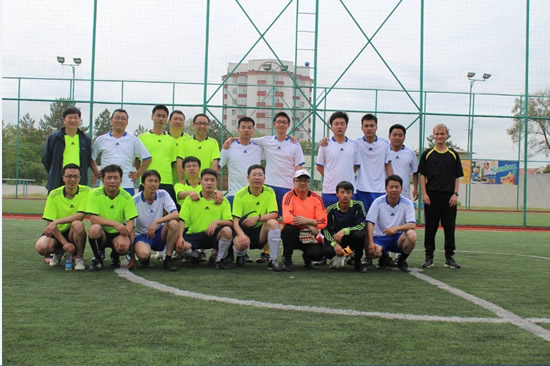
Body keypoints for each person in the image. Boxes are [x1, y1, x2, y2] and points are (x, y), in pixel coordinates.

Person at [226, 112, 305, 215]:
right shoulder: (266, 141)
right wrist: (232, 139)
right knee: (268, 217)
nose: (281, 124)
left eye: (284, 122)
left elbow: (298, 167)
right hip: (269, 186)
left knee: (286, 218)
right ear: (274, 124)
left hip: (287, 187)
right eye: (279, 122)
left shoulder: (295, 144)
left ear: (288, 125)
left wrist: (297, 186)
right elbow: (246, 138)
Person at [418, 123, 463, 269]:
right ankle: (429, 257)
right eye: (437, 134)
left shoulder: (453, 155)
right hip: (431, 197)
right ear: (433, 136)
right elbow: (422, 176)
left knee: (449, 227)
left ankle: (449, 258)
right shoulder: (427, 154)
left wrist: (455, 194)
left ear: (447, 135)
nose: (439, 136)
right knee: (430, 228)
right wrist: (424, 194)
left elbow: (457, 177)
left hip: (449, 197)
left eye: (442, 134)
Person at [35, 164, 91, 270]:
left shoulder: (86, 191)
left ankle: (79, 258)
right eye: (69, 176)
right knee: (41, 246)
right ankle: (59, 252)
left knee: (78, 224)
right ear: (63, 178)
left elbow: (80, 215)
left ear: (80, 178)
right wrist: (64, 243)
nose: (72, 179)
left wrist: (56, 222)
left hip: (72, 232)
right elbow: (50, 223)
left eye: (76, 176)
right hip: (57, 233)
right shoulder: (54, 194)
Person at [86, 164, 139, 271]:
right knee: (94, 229)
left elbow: (131, 220)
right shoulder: (95, 194)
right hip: (102, 233)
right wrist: (114, 223)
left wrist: (125, 234)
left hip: (117, 233)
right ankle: (98, 259)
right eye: (109, 178)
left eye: (116, 178)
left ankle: (115, 257)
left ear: (121, 179)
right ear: (102, 179)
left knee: (124, 245)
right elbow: (93, 218)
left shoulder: (126, 196)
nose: (112, 181)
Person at [178, 169, 233, 269]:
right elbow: (182, 219)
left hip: (212, 235)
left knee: (227, 231)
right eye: (206, 180)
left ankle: (218, 260)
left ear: (216, 182)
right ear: (200, 181)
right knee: (180, 247)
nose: (209, 183)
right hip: (194, 234)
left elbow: (230, 222)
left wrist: (216, 222)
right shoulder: (190, 199)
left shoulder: (223, 200)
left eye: (212, 180)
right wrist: (180, 237)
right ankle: (194, 255)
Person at [232, 164, 282, 271]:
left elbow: (274, 214)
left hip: (260, 232)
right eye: (254, 175)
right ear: (248, 178)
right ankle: (241, 255)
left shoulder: (269, 192)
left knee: (273, 223)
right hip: (244, 230)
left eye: (260, 175)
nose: (257, 178)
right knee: (240, 243)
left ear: (264, 178)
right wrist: (241, 235)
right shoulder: (240, 195)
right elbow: (235, 221)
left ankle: (273, 260)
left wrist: (257, 218)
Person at [92, 109, 152, 195]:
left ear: (127, 122)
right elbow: (91, 158)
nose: (120, 121)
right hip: (106, 185)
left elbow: (147, 158)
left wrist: (137, 175)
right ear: (111, 120)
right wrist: (96, 172)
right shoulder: (101, 140)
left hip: (126, 185)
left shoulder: (133, 140)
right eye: (117, 118)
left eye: (123, 119)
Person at [366, 175, 417, 272]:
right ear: (386, 189)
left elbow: (412, 225)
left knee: (412, 235)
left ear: (401, 189)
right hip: (380, 237)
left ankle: (402, 260)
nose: (394, 190)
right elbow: (370, 222)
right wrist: (371, 243)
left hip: (397, 238)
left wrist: (395, 229)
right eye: (391, 187)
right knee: (372, 252)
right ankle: (384, 256)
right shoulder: (377, 202)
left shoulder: (408, 203)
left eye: (397, 187)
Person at [132, 170, 181, 271]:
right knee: (143, 255)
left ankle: (168, 259)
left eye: (156, 181)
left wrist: (156, 222)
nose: (153, 184)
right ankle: (144, 257)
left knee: (173, 223)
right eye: (150, 181)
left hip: (159, 233)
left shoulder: (163, 194)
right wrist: (132, 257)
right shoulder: (134, 200)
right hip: (142, 235)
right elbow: (131, 227)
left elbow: (176, 214)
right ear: (143, 184)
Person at [280, 169, 328, 271]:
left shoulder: (317, 198)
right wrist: (309, 224)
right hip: (295, 234)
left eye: (305, 180)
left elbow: (323, 222)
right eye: (299, 180)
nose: (302, 183)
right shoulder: (288, 196)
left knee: (317, 254)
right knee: (289, 229)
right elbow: (288, 218)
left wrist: (306, 221)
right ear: (294, 182)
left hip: (310, 235)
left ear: (309, 182)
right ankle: (287, 259)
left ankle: (307, 258)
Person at [316, 111, 360, 208]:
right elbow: (319, 166)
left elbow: (356, 165)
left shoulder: (354, 145)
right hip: (330, 190)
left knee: (349, 220)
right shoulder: (325, 145)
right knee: (329, 220)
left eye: (342, 124)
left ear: (346, 126)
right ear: (331, 127)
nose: (339, 126)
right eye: (336, 124)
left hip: (349, 191)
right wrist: (329, 175)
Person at [42, 107, 92, 192]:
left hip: (79, 182)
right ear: (64, 120)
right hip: (58, 182)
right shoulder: (54, 138)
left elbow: (87, 160)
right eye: (70, 118)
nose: (73, 120)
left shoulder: (85, 139)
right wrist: (55, 172)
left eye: (76, 118)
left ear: (79, 120)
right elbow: (46, 159)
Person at [323, 181, 368, 273]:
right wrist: (334, 244)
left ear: (352, 194)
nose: (345, 195)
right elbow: (326, 230)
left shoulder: (358, 205)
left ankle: (357, 263)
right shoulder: (331, 209)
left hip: (351, 239)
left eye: (348, 192)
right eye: (342, 192)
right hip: (337, 240)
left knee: (360, 235)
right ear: (337, 194)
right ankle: (344, 254)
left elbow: (362, 225)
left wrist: (345, 230)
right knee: (327, 252)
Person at [138, 105, 178, 204]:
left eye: (164, 116)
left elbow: (174, 164)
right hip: (146, 183)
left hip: (166, 182)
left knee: (167, 214)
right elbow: (137, 160)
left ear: (167, 119)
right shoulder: (142, 138)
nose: (161, 119)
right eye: (158, 115)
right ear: (152, 117)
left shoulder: (172, 140)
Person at [219, 117, 263, 205]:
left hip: (254, 196)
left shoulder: (259, 148)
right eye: (243, 127)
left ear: (253, 130)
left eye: (249, 128)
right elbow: (218, 166)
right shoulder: (228, 147)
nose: (246, 130)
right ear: (238, 129)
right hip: (234, 195)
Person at [354, 113, 393, 214]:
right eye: (366, 126)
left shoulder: (384, 144)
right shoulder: (356, 143)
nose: (369, 128)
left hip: (380, 190)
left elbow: (388, 165)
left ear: (376, 127)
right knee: (363, 220)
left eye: (372, 126)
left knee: (381, 219)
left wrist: (392, 185)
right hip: (361, 189)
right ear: (362, 128)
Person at [388, 124, 418, 201]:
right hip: (386, 192)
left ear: (404, 137)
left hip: (404, 193)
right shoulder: (384, 151)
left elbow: (415, 172)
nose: (397, 137)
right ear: (389, 136)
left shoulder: (410, 153)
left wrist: (415, 189)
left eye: (400, 135)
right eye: (394, 135)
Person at [167, 110, 191, 185]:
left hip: (183, 183)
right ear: (169, 121)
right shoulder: (163, 138)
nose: (178, 121)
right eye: (175, 119)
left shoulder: (189, 140)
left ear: (184, 123)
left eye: (181, 119)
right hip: (166, 181)